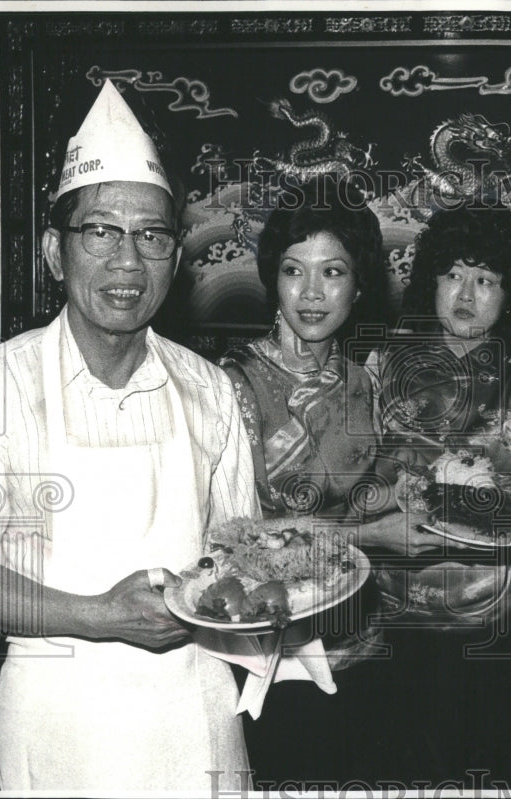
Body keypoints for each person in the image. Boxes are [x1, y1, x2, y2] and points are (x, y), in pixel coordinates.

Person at [0, 80, 255, 792]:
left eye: (152, 235)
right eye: (101, 230)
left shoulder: (211, 388)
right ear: (55, 250)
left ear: (176, 255)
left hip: (197, 718)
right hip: (55, 726)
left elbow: (239, 550)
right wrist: (100, 615)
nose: (126, 261)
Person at [356, 203, 511, 782]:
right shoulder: (383, 366)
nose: (466, 293)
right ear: (430, 279)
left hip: (494, 615)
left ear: (509, 296)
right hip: (391, 609)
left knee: (486, 766)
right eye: (453, 274)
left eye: (485, 280)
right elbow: (355, 480)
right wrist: (384, 493)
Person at [216, 177, 387, 781]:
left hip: (359, 635)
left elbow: (373, 496)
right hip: (270, 638)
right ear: (273, 279)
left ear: (359, 284)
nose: (311, 294)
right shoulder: (232, 383)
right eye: (294, 271)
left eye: (333, 272)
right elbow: (229, 525)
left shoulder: (365, 383)